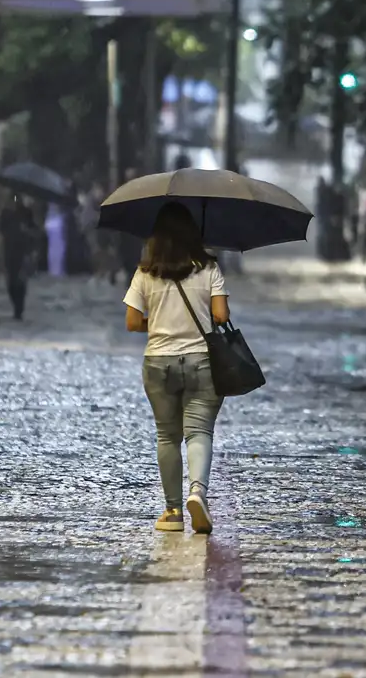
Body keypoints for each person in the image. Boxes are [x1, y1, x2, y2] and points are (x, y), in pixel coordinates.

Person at [123, 202, 230, 534]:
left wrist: (158, 322)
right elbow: (221, 316)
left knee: (167, 435)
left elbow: (131, 321)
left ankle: (171, 512)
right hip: (201, 360)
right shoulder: (209, 267)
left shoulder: (145, 272)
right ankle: (197, 492)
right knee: (199, 432)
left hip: (158, 361)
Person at [0, 197, 41, 320]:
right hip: (10, 249)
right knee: (11, 281)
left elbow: (35, 230)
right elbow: (1, 229)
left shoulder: (26, 212)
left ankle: (19, 308)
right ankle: (16, 304)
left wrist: (26, 231)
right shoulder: (5, 213)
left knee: (21, 280)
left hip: (23, 250)